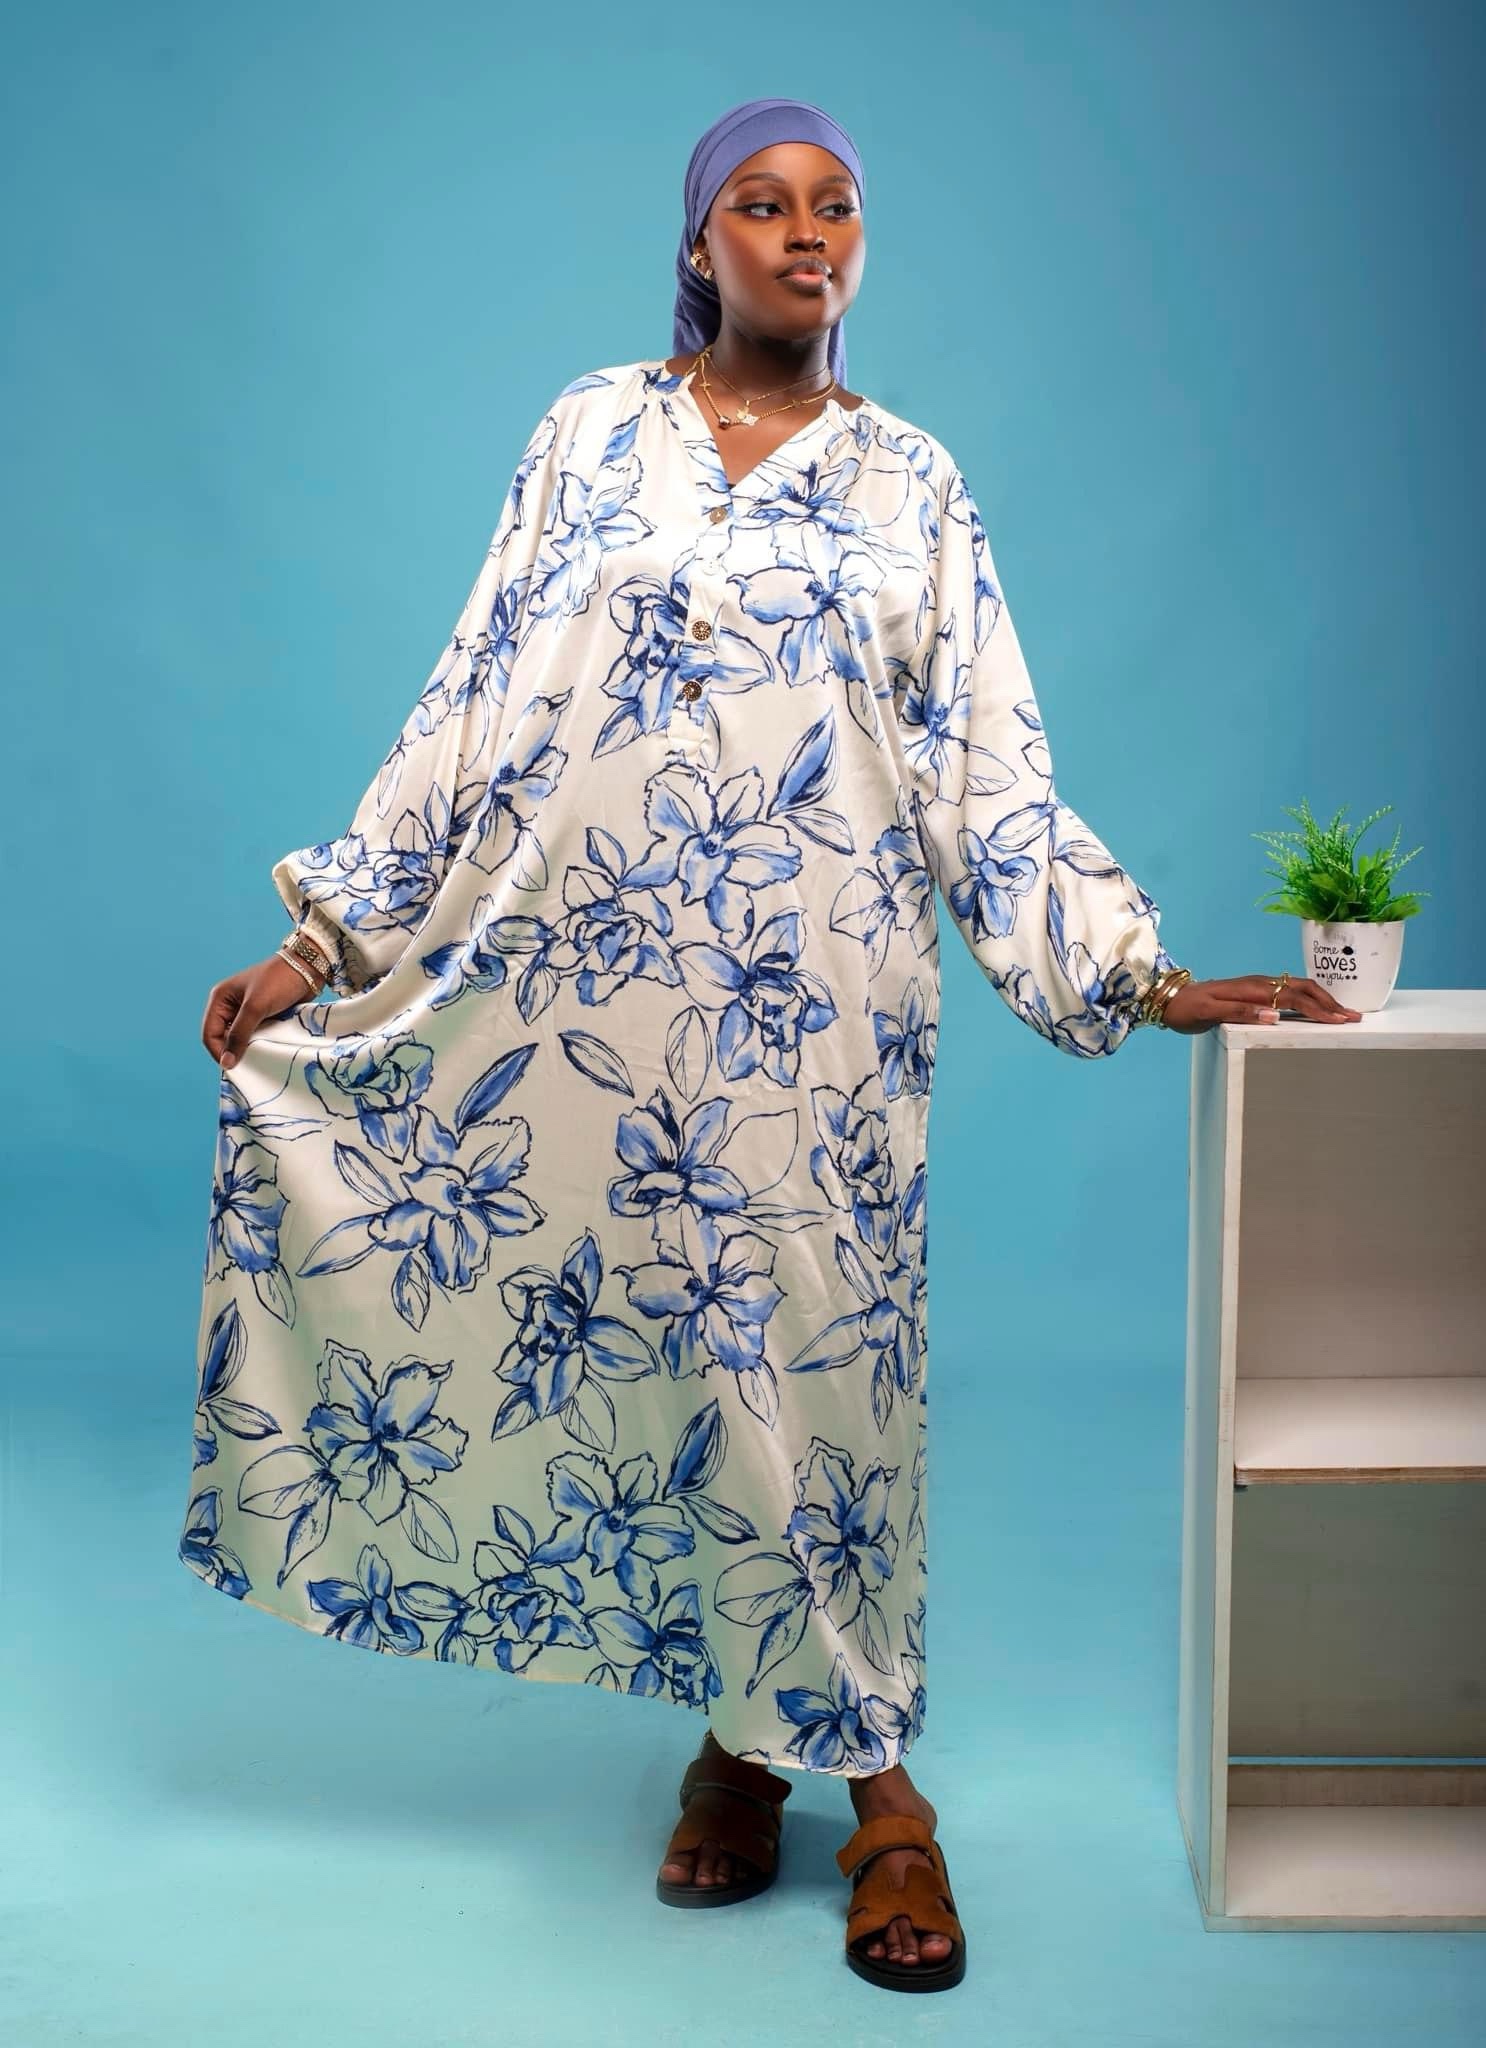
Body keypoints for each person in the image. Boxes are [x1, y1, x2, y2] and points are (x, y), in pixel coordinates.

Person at [189, 96, 1363, 1995]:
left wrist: (1142, 977)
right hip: (581, 1008)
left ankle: (879, 1786)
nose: (807, 233)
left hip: (814, 1022)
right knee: (655, 1366)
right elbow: (472, 702)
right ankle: (744, 1751)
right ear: (699, 241)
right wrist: (321, 942)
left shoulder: (912, 486)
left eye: (836, 208)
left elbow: (987, 770)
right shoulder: (589, 434)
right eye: (763, 204)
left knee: (812, 1373)